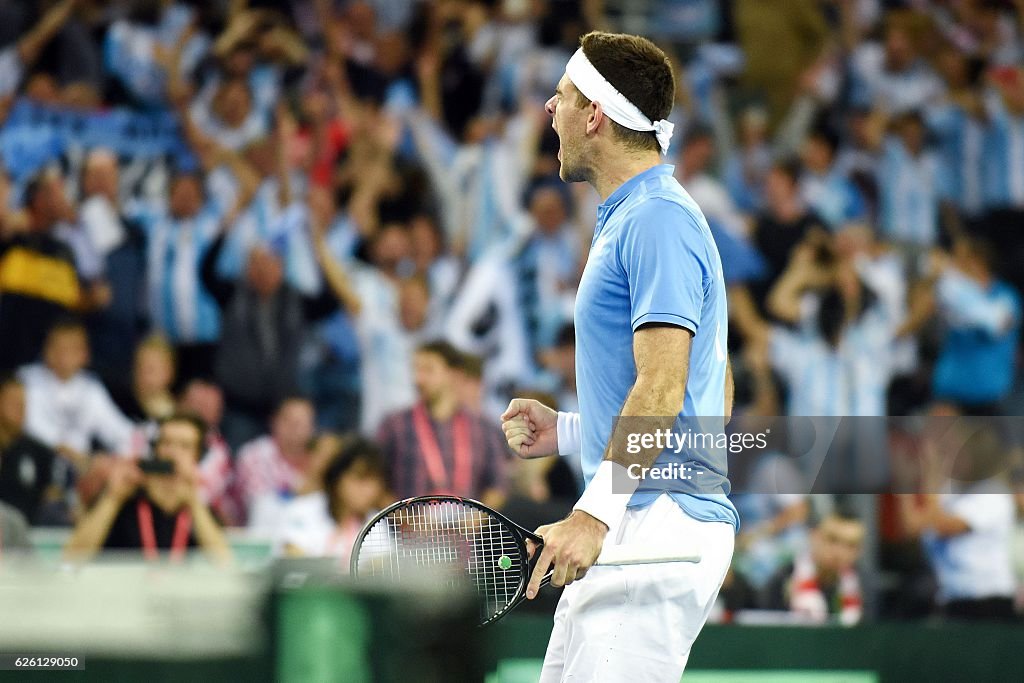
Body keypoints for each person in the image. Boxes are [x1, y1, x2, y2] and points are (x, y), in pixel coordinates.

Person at [500, 32, 737, 681]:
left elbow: (663, 387)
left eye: (563, 95)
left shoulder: (657, 218)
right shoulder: (635, 214)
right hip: (640, 521)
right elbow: (709, 393)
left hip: (653, 525)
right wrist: (571, 429)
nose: (550, 107)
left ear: (595, 115)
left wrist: (593, 512)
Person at [63, 413, 232, 565]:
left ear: (197, 457)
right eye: (166, 443)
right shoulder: (125, 498)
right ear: (155, 449)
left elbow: (223, 563)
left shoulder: (200, 509)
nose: (173, 453)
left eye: (184, 446)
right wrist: (112, 499)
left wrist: (194, 503)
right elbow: (72, 558)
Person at [377, 341, 508, 510]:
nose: (419, 379)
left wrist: (475, 522)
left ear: (455, 375)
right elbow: (376, 482)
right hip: (408, 534)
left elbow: (498, 486)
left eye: (428, 370)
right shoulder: (394, 425)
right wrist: (404, 521)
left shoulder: (485, 429)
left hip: (467, 534)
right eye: (416, 370)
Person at [277, 436, 390, 571]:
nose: (371, 490)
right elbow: (293, 559)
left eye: (376, 480)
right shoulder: (301, 510)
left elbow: (382, 569)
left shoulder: (376, 522)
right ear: (337, 477)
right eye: (361, 478)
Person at [762, 508, 865, 625]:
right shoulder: (782, 580)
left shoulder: (864, 586)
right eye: (832, 540)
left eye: (851, 545)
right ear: (814, 536)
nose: (839, 552)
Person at [234, 396, 318, 529]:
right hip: (261, 536)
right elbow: (259, 508)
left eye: (302, 423)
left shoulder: (320, 457)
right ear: (273, 421)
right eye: (289, 422)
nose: (295, 429)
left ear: (312, 427)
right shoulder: (253, 455)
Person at [0, 375, 57, 524]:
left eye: (23, 403)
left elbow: (52, 494)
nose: (21, 408)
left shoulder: (40, 452)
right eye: (13, 403)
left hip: (29, 534)